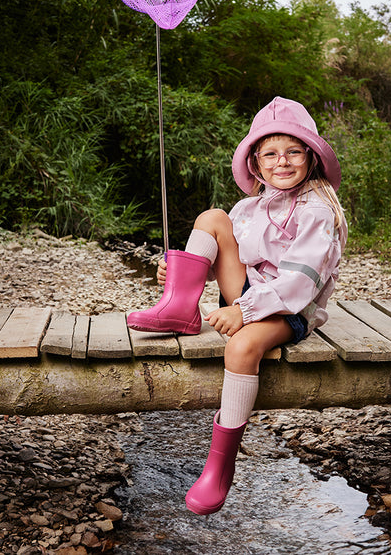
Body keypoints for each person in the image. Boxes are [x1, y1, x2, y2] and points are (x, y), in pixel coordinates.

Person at [127, 96, 347, 515]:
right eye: (270, 154)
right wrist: (185, 273)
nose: (282, 162)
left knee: (242, 347)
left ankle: (220, 465)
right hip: (252, 290)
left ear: (311, 158)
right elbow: (238, 258)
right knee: (212, 217)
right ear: (256, 164)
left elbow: (298, 284)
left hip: (290, 308)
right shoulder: (249, 207)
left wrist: (242, 311)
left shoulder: (318, 210)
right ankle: (177, 304)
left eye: (293, 152)